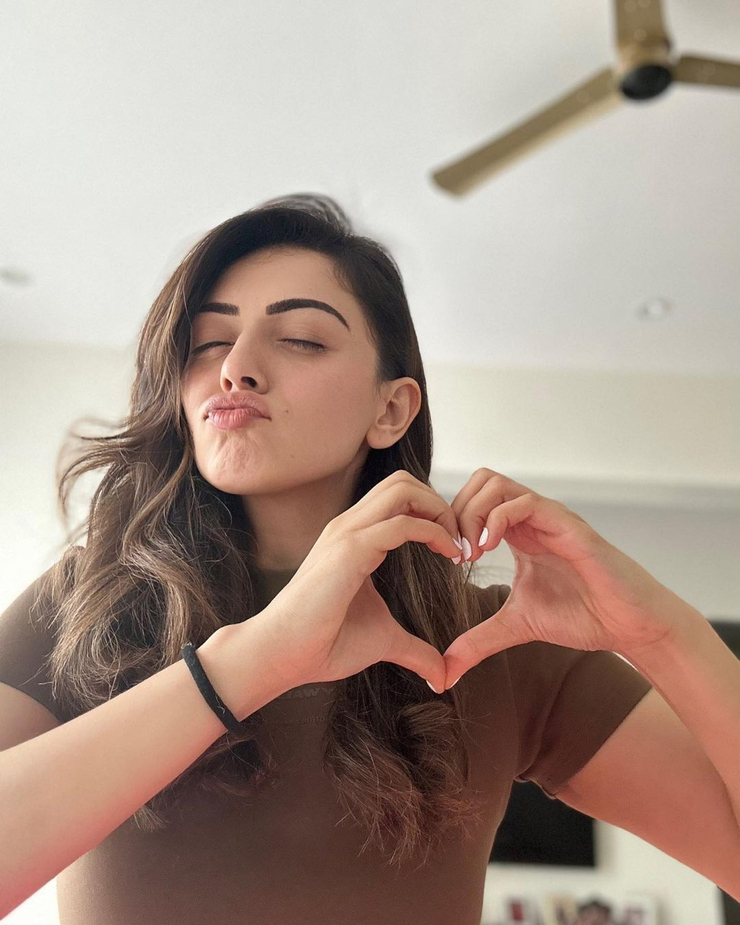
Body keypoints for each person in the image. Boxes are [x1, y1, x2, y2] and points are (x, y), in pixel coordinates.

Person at [0, 194, 653, 924]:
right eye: (208, 342)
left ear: (391, 409)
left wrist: (658, 627)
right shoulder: (81, 606)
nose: (236, 367)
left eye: (301, 339)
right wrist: (247, 664)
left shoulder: (495, 640)